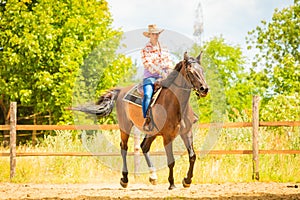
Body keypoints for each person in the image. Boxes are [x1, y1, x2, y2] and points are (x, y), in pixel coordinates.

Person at [141, 24, 173, 131]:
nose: (156, 36)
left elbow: (168, 61)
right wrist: (160, 71)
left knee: (178, 91)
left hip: (164, 76)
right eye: (153, 34)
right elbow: (148, 64)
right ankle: (147, 120)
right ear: (149, 35)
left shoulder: (164, 48)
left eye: (157, 33)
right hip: (151, 77)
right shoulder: (145, 49)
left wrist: (169, 70)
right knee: (147, 95)